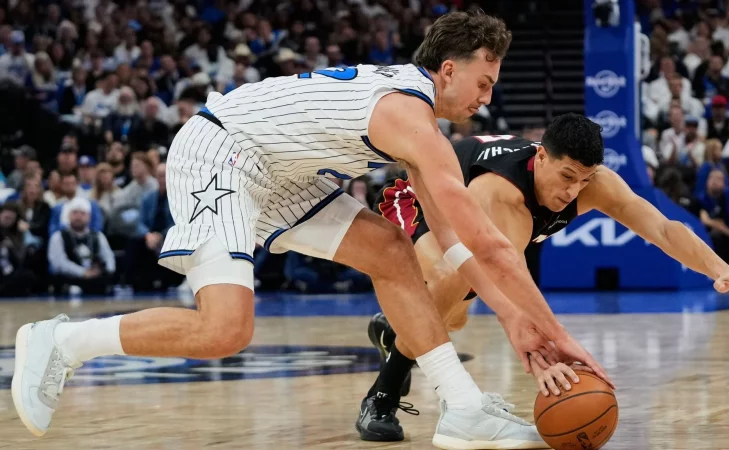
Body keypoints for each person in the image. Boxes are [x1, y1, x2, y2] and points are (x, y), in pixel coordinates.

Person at [12, 11, 608, 449]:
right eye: (484, 82)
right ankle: (61, 342)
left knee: (392, 250)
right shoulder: (410, 116)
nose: (488, 95)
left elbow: (457, 244)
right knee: (225, 330)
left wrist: (516, 320)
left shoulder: (417, 117)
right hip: (223, 151)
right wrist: (549, 332)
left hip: (284, 170)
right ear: (448, 70)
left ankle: (462, 408)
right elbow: (487, 241)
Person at [358, 116, 729, 442]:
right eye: (567, 177)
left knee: (452, 319)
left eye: (584, 180)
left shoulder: (593, 182)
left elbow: (662, 228)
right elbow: (505, 282)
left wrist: (719, 269)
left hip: (477, 225)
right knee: (451, 282)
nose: (574, 191)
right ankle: (381, 397)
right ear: (541, 158)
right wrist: (545, 349)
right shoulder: (503, 195)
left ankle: (395, 326)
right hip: (420, 196)